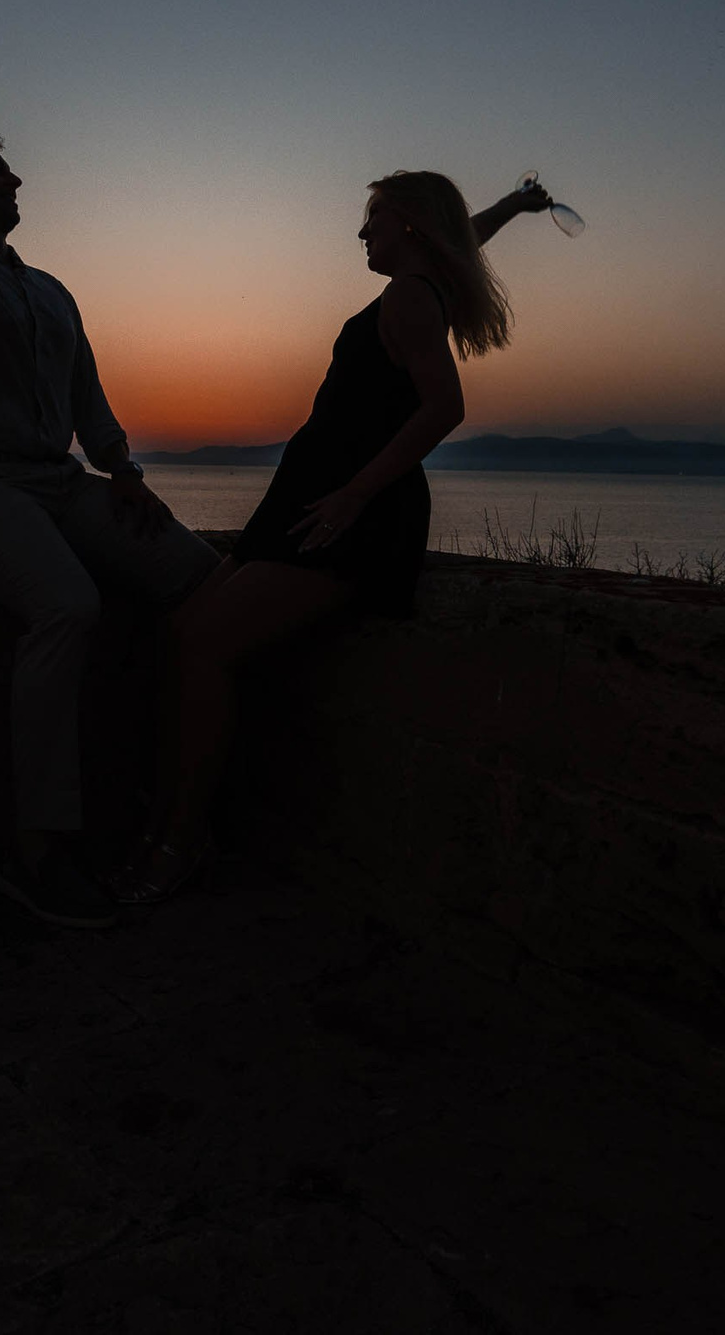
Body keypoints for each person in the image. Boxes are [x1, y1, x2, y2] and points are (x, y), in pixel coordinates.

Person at [108, 169, 552, 905]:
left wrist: (354, 494)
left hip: (349, 516)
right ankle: (171, 821)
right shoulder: (425, 278)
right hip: (305, 505)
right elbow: (459, 237)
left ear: (408, 224)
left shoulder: (411, 296)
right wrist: (515, 204)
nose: (361, 232)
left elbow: (445, 406)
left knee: (203, 644)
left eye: (373, 218)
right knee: (185, 632)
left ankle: (180, 839)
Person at [0, 75, 218, 930]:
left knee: (203, 575)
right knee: (67, 605)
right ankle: (40, 853)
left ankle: (166, 785)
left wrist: (124, 470)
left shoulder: (52, 289)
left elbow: (88, 395)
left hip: (59, 482)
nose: (18, 182)